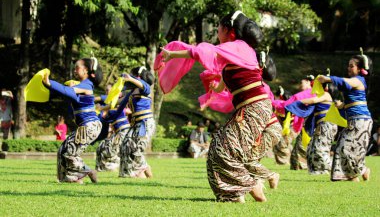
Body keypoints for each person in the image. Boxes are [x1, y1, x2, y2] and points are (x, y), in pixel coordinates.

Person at [157, 11, 281, 203]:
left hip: (254, 108)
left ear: (229, 30)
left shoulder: (239, 46)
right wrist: (212, 92)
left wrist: (173, 53)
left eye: (219, 28)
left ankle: (250, 186)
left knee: (223, 149)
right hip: (251, 108)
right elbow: (222, 83)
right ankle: (234, 193)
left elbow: (203, 51)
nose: (217, 33)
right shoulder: (236, 53)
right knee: (220, 148)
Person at [42, 57, 103, 184]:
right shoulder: (80, 85)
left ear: (86, 70)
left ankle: (87, 171)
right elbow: (66, 92)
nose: (75, 71)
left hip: (90, 126)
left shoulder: (86, 85)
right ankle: (69, 178)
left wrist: (49, 82)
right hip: (87, 126)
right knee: (63, 150)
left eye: (77, 68)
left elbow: (66, 91)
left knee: (69, 152)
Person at [318, 53, 373, 182]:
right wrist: (341, 105)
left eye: (351, 66)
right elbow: (352, 101)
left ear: (360, 69)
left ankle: (357, 172)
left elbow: (345, 82)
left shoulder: (358, 80)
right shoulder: (356, 81)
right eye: (348, 66)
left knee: (346, 147)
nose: (349, 68)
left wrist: (328, 78)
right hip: (355, 120)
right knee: (343, 147)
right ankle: (355, 173)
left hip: (361, 120)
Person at [286, 79, 338, 175]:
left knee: (320, 149)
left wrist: (298, 102)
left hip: (327, 125)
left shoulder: (326, 94)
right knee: (311, 148)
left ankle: (337, 169)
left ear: (325, 87)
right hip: (321, 125)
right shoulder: (320, 95)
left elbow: (313, 100)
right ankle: (316, 171)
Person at [119, 66, 156, 179]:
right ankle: (127, 174)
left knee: (136, 148)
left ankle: (144, 168)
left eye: (132, 74)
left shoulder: (144, 88)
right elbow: (119, 102)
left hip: (145, 123)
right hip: (136, 124)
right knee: (125, 146)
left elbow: (144, 85)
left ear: (138, 77)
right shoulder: (132, 92)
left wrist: (130, 78)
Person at [95, 94, 131, 172]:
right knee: (102, 147)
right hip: (120, 132)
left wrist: (100, 110)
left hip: (123, 132)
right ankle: (102, 167)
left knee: (112, 149)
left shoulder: (117, 110)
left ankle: (112, 166)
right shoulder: (114, 110)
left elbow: (105, 118)